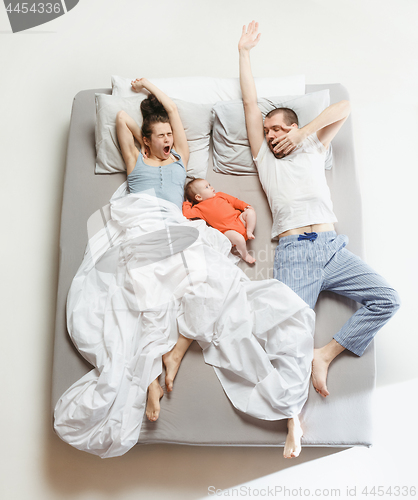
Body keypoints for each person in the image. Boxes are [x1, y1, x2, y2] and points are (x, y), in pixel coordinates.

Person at [238, 21, 400, 403]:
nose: (271, 134)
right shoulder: (266, 159)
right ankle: (292, 415)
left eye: (278, 128)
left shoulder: (312, 146)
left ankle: (324, 354)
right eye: (268, 131)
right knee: (285, 338)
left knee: (388, 299)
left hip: (332, 248)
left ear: (293, 127)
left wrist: (303, 133)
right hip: (294, 253)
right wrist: (244, 53)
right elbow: (249, 102)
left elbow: (343, 107)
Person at [116, 78, 194, 422]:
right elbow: (120, 117)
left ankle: (174, 353)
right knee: (144, 300)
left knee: (203, 283)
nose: (168, 140)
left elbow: (173, 110)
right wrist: (143, 142)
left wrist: (148, 85)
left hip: (175, 228)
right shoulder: (136, 161)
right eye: (160, 136)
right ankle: (151, 382)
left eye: (169, 135)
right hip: (143, 227)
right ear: (147, 141)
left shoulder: (181, 161)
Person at [183, 178, 257, 263]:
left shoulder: (220, 195)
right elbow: (187, 214)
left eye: (209, 185)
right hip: (228, 230)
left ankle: (249, 231)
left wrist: (244, 206)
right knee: (239, 239)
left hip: (238, 219)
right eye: (207, 187)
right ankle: (245, 255)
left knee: (250, 212)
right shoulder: (199, 208)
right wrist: (187, 203)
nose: (211, 187)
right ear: (199, 197)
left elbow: (234, 201)